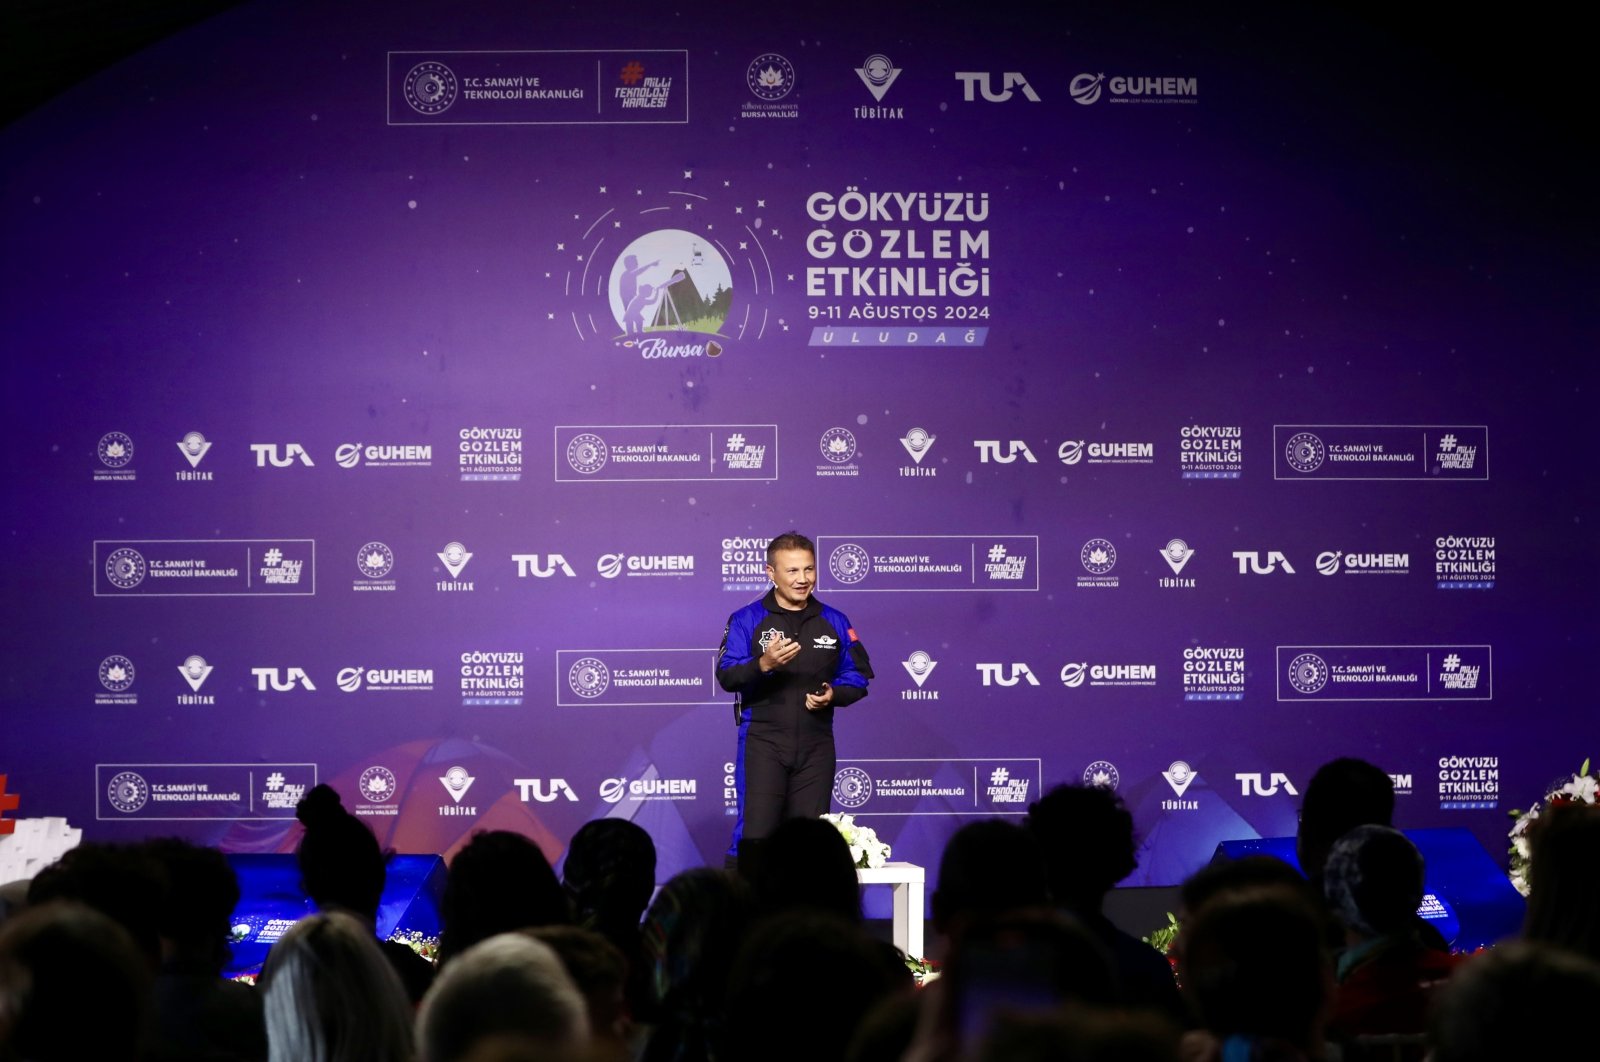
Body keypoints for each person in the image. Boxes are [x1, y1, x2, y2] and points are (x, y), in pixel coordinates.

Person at [717, 531, 872, 865]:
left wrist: (835, 694)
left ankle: (808, 917)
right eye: (792, 571)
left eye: (809, 570)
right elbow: (726, 675)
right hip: (763, 743)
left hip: (816, 746)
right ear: (770, 573)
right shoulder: (746, 619)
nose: (803, 579)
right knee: (756, 837)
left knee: (812, 845)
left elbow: (857, 678)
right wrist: (763, 664)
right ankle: (747, 916)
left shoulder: (835, 620)